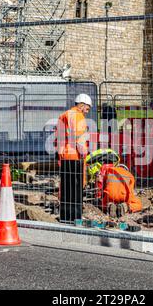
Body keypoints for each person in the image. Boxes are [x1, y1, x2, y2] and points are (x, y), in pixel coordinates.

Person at [56, 93, 92, 223]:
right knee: (76, 188)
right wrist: (85, 153)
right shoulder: (78, 116)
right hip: (75, 156)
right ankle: (75, 218)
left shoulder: (64, 115)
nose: (87, 112)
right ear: (82, 105)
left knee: (66, 187)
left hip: (63, 155)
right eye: (87, 109)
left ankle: (65, 216)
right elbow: (80, 139)